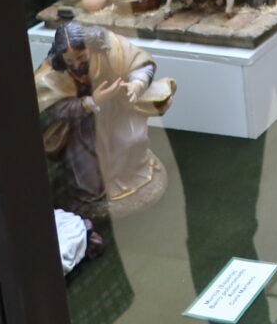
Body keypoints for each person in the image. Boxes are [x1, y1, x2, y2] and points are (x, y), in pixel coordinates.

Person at [34, 20, 176, 217]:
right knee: (88, 185)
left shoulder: (112, 47)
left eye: (81, 58)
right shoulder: (51, 74)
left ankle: (129, 173)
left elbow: (142, 65)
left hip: (118, 109)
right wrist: (92, 101)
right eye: (70, 60)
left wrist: (136, 84)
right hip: (78, 124)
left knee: (131, 140)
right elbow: (51, 109)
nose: (76, 65)